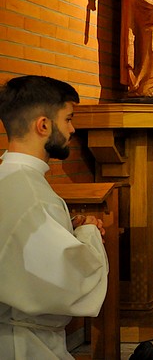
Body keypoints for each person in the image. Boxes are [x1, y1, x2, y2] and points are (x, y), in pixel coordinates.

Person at [0, 75, 108, 358]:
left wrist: (66, 228)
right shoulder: (31, 194)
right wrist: (88, 232)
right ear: (43, 125)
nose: (72, 129)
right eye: (68, 119)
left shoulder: (10, 178)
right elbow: (73, 282)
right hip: (24, 343)